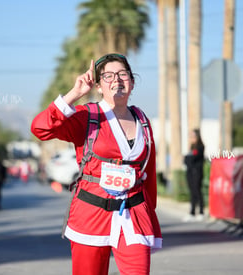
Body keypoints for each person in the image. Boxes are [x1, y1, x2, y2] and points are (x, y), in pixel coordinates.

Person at [31, 53, 162, 275]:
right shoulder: (87, 116)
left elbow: (148, 170)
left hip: (133, 215)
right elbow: (40, 128)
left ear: (132, 81)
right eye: (108, 76)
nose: (117, 80)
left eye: (122, 74)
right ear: (99, 86)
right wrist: (75, 94)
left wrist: (149, 211)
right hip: (91, 213)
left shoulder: (142, 119)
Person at [183, 129, 205, 222]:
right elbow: (186, 160)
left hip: (197, 172)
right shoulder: (191, 147)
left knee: (197, 191)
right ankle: (192, 212)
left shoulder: (200, 147)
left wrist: (188, 158)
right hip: (190, 172)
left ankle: (201, 212)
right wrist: (188, 158)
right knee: (192, 192)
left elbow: (193, 159)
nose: (191, 138)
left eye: (193, 136)